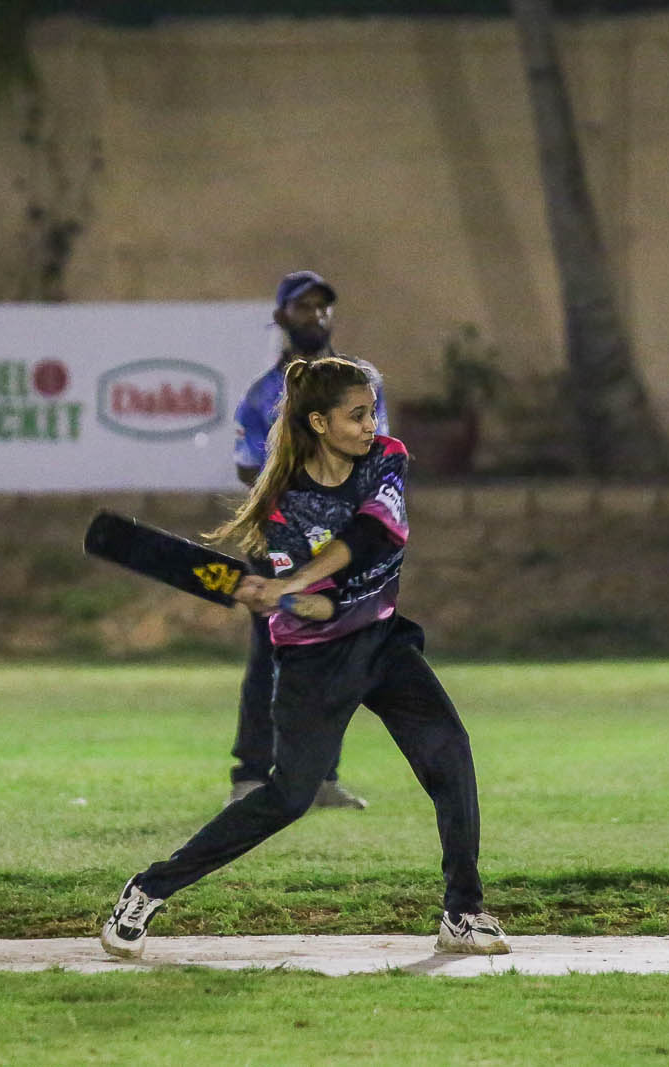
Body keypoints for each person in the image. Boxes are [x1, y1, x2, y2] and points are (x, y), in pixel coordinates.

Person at [101, 356, 510, 959]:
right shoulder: (284, 508)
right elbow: (319, 610)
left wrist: (289, 584)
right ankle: (148, 889)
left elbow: (375, 533)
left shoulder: (386, 458)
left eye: (371, 412)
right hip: (315, 661)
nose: (371, 425)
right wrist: (285, 595)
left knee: (450, 752)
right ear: (319, 423)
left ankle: (463, 912)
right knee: (289, 798)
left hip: (383, 641)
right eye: (357, 415)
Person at [223, 270, 388, 810]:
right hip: (279, 539)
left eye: (322, 307)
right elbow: (249, 468)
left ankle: (320, 777)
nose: (315, 317)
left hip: (337, 543)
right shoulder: (265, 394)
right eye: (303, 308)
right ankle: (251, 774)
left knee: (337, 659)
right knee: (271, 655)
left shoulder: (362, 384)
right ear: (282, 317)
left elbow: (375, 451)